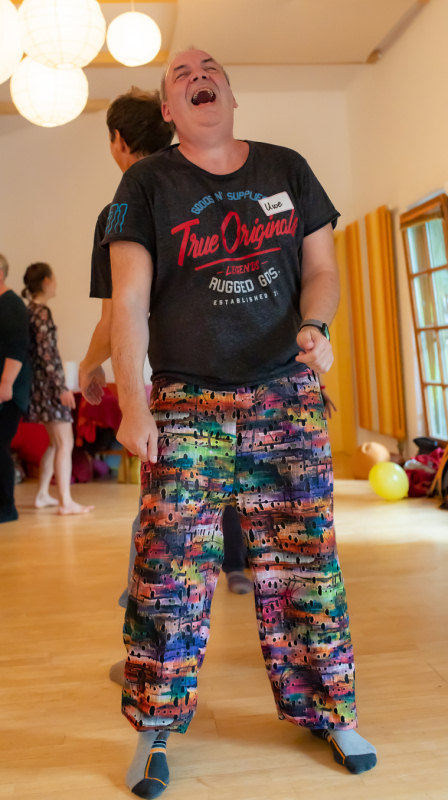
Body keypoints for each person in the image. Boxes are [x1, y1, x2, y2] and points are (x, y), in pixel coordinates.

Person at [104, 49, 377, 798]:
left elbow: (322, 270)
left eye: (210, 66)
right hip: (186, 402)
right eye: (182, 72)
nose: (199, 72)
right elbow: (128, 301)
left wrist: (316, 324)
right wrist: (132, 403)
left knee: (304, 562)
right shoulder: (146, 185)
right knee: (169, 568)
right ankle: (155, 724)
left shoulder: (288, 169)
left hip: (283, 393)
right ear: (170, 110)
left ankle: (330, 711)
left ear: (230, 92)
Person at [79, 87, 252, 601]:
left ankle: (151, 613)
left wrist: (89, 365)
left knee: (164, 516)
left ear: (118, 140)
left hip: (182, 386)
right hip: (259, 378)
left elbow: (119, 314)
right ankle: (235, 575)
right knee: (242, 498)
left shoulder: (122, 209)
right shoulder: (221, 191)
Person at [23, 262, 93, 515]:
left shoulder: (30, 310)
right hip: (49, 388)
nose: (56, 283)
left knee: (55, 443)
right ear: (46, 281)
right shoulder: (41, 312)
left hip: (39, 386)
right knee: (65, 442)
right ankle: (65, 501)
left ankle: (43, 494)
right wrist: (61, 388)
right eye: (53, 278)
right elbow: (47, 355)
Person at [0, 254, 32, 524]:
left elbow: (16, 348)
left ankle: (6, 508)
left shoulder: (11, 305)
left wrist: (5, 383)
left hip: (8, 391)